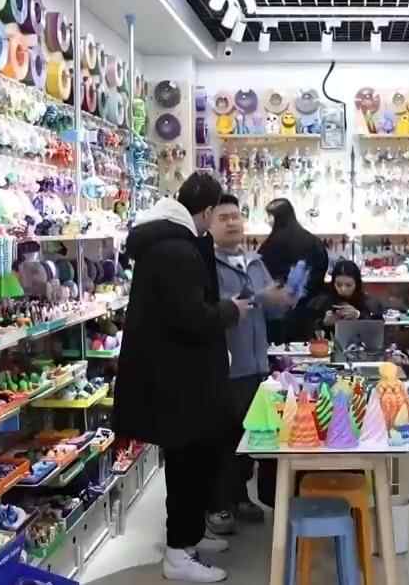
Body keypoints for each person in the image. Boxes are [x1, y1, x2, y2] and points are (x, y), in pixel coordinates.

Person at [112, 173, 251, 582]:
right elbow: (191, 317)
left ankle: (189, 538)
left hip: (177, 378)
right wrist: (231, 310)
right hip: (180, 383)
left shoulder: (168, 242)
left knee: (193, 460)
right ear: (206, 211)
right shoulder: (176, 250)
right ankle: (178, 553)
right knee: (187, 464)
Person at [207, 194, 294, 535]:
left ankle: (241, 496)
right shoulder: (206, 266)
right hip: (228, 365)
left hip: (258, 364)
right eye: (223, 217)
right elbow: (213, 309)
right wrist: (260, 297)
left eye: (236, 216)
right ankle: (218, 504)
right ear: (209, 224)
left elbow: (270, 309)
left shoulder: (255, 262)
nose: (232, 222)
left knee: (253, 434)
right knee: (225, 438)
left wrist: (283, 300)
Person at [257, 198, 329, 343]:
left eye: (269, 217)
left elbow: (262, 276)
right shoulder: (314, 242)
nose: (268, 221)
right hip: (309, 313)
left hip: (277, 315)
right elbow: (320, 270)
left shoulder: (270, 245)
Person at [305, 259, 383, 331]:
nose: (343, 289)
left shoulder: (369, 303)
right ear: (333, 283)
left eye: (348, 285)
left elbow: (378, 328)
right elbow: (306, 329)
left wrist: (358, 315)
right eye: (338, 285)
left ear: (357, 284)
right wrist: (323, 323)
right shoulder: (322, 302)